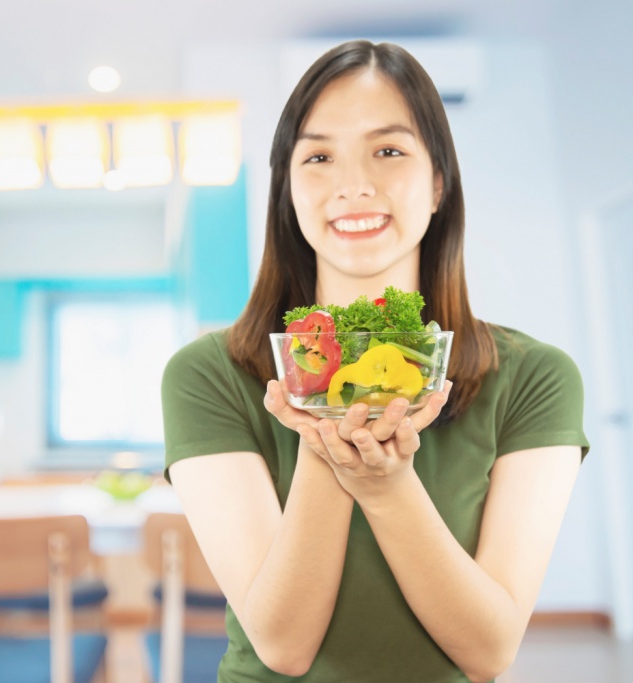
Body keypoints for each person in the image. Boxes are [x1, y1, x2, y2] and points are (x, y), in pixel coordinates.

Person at [161, 40, 589, 683]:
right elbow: (283, 646)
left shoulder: (535, 378)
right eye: (319, 156)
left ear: (439, 181)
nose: (354, 185)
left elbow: (490, 651)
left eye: (388, 150)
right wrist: (324, 447)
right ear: (287, 190)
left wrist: (387, 488)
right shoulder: (208, 374)